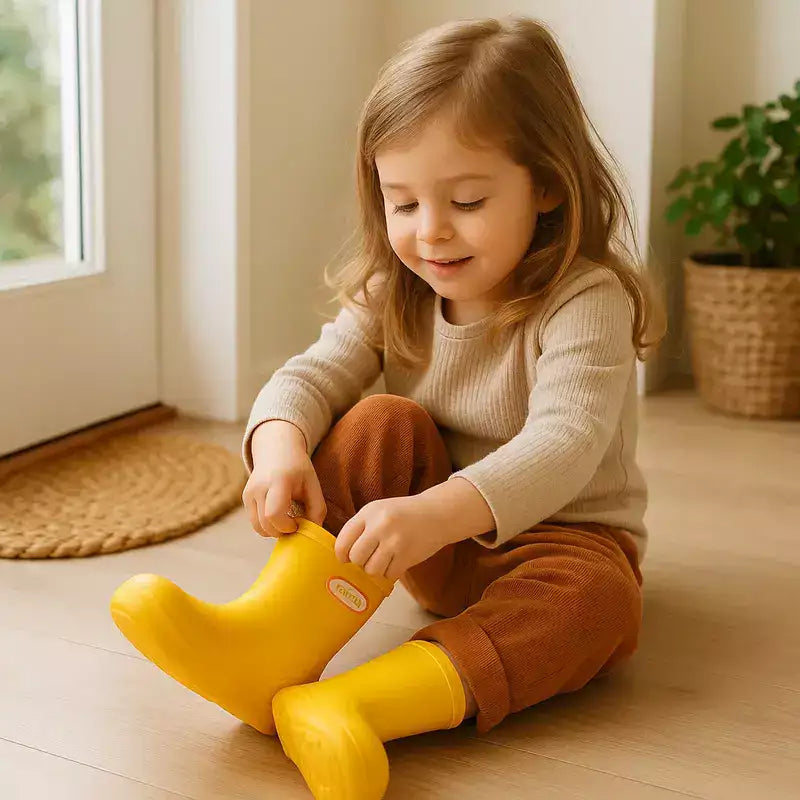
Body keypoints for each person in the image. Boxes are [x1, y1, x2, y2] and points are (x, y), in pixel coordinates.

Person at [111, 15, 665, 800]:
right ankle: (266, 647)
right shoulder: (394, 290)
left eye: (466, 200)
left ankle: (357, 707)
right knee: (379, 424)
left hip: (560, 543)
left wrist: (439, 512)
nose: (431, 232)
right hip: (426, 548)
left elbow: (567, 440)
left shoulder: (586, 299)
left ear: (546, 184)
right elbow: (312, 374)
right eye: (402, 203)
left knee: (601, 605)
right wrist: (278, 448)